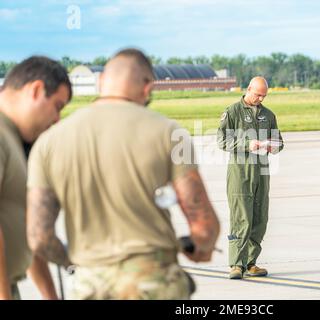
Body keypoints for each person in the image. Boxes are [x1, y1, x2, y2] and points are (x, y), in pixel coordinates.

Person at [26, 48, 220, 300]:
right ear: (147, 87)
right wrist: (198, 247)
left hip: (90, 286)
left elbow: (39, 236)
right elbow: (204, 227)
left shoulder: (49, 141)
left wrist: (77, 263)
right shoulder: (169, 132)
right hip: (152, 283)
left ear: (101, 83)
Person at [0, 56, 72, 299]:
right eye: (58, 106)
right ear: (36, 89)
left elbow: (21, 227)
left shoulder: (13, 139)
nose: (57, 120)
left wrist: (50, 296)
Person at [217, 76, 283, 279]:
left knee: (259, 218)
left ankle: (251, 262)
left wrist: (274, 146)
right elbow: (222, 140)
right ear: (248, 89)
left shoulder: (268, 115)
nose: (260, 99)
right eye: (257, 94)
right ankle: (236, 264)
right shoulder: (233, 112)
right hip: (240, 172)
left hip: (262, 172)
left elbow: (280, 141)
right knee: (241, 218)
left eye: (264, 96)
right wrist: (248, 145)